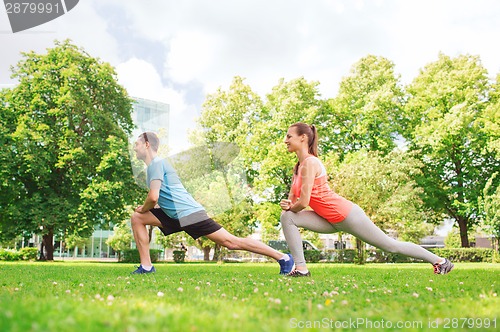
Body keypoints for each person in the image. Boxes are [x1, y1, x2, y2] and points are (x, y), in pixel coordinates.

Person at [279, 123, 454, 277]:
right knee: (287, 217)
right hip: (327, 218)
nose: (285, 140)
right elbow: (293, 202)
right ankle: (301, 268)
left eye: (289, 136)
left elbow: (302, 203)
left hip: (347, 215)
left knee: (390, 246)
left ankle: (440, 261)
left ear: (303, 138)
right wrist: (288, 205)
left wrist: (293, 206)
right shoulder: (297, 167)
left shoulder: (310, 163)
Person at [130, 132, 294, 274]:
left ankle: (284, 258)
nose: (134, 148)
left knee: (230, 242)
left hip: (189, 214)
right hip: (174, 214)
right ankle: (146, 266)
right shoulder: (156, 166)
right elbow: (169, 194)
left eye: (136, 144)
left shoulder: (156, 164)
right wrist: (148, 209)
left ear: (146, 145)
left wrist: (144, 208)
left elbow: (153, 197)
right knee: (138, 218)